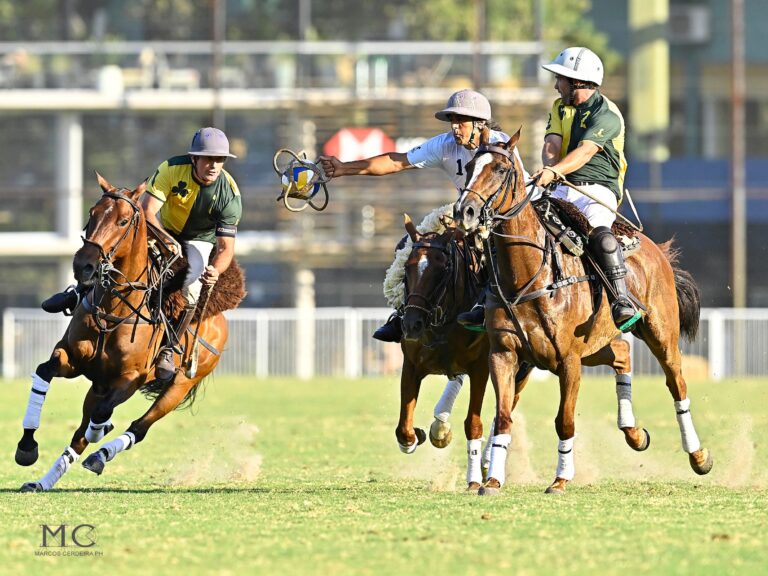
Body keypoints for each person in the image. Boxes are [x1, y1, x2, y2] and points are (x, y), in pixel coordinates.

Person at [318, 88, 528, 342]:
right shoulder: (445, 145)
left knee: (494, 253)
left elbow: (517, 194)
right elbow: (397, 161)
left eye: (460, 121)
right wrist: (344, 168)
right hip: (465, 212)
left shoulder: (501, 145)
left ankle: (489, 308)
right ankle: (403, 313)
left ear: (479, 124)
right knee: (412, 247)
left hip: (502, 217)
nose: (455, 128)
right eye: (452, 121)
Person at [42, 127, 243, 381]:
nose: (214, 166)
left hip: (198, 240)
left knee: (191, 288)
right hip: (161, 227)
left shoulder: (230, 194)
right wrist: (167, 240)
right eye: (208, 159)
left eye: (220, 160)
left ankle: (168, 350)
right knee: (112, 255)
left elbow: (226, 248)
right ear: (194, 159)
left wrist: (216, 270)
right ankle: (76, 293)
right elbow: (148, 211)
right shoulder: (171, 169)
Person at [531, 46, 638, 331]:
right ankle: (487, 299)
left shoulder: (608, 114)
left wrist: (554, 170)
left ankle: (621, 300)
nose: (556, 85)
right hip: (562, 185)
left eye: (560, 79)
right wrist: (550, 170)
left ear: (578, 82)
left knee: (601, 237)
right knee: (515, 220)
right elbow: (552, 145)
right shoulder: (559, 106)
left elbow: (585, 152)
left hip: (598, 190)